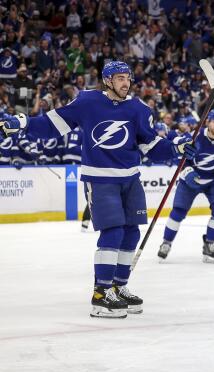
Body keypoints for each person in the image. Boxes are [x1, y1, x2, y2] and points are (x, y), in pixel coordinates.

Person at [0, 61, 194, 318]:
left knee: (131, 233)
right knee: (112, 232)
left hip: (130, 179)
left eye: (128, 78)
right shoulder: (87, 102)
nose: (126, 82)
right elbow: (53, 125)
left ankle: (118, 286)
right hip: (100, 180)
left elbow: (150, 145)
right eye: (119, 78)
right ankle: (101, 294)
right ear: (107, 81)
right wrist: (24, 122)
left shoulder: (138, 109)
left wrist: (175, 147)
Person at [157, 109, 214, 264]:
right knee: (178, 212)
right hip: (190, 180)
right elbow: (180, 156)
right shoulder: (194, 136)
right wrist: (187, 172)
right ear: (208, 122)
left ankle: (209, 244)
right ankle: (166, 243)